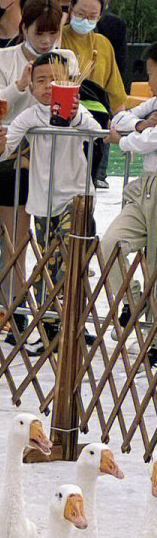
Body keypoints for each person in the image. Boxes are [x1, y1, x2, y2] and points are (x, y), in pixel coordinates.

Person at [0, 0, 76, 334]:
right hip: (12, 160)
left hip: (53, 161)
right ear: (24, 28)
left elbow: (72, 107)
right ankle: (13, 311)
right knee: (15, 241)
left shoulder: (66, 59)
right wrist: (19, 87)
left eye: (53, 33)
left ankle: (54, 314)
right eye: (39, 32)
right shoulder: (3, 58)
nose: (47, 40)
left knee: (55, 242)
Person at [0, 53, 103, 322]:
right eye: (41, 80)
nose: (49, 86)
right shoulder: (30, 116)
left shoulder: (80, 113)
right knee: (48, 260)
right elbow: (4, 151)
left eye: (56, 79)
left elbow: (96, 133)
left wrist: (75, 116)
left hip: (77, 197)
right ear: (30, 87)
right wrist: (0, 143)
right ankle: (49, 318)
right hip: (43, 202)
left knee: (68, 255)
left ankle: (71, 318)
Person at [103, 43, 157, 328]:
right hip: (145, 187)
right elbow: (120, 117)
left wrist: (124, 140)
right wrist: (139, 125)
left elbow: (153, 139)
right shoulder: (154, 102)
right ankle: (132, 301)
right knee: (110, 244)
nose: (148, 82)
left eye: (151, 73)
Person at [61, 0, 128, 188]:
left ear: (99, 17)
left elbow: (115, 92)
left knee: (86, 191)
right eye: (81, 13)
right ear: (71, 9)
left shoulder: (103, 44)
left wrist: (121, 125)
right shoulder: (58, 37)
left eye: (92, 16)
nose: (86, 19)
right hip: (63, 122)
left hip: (94, 125)